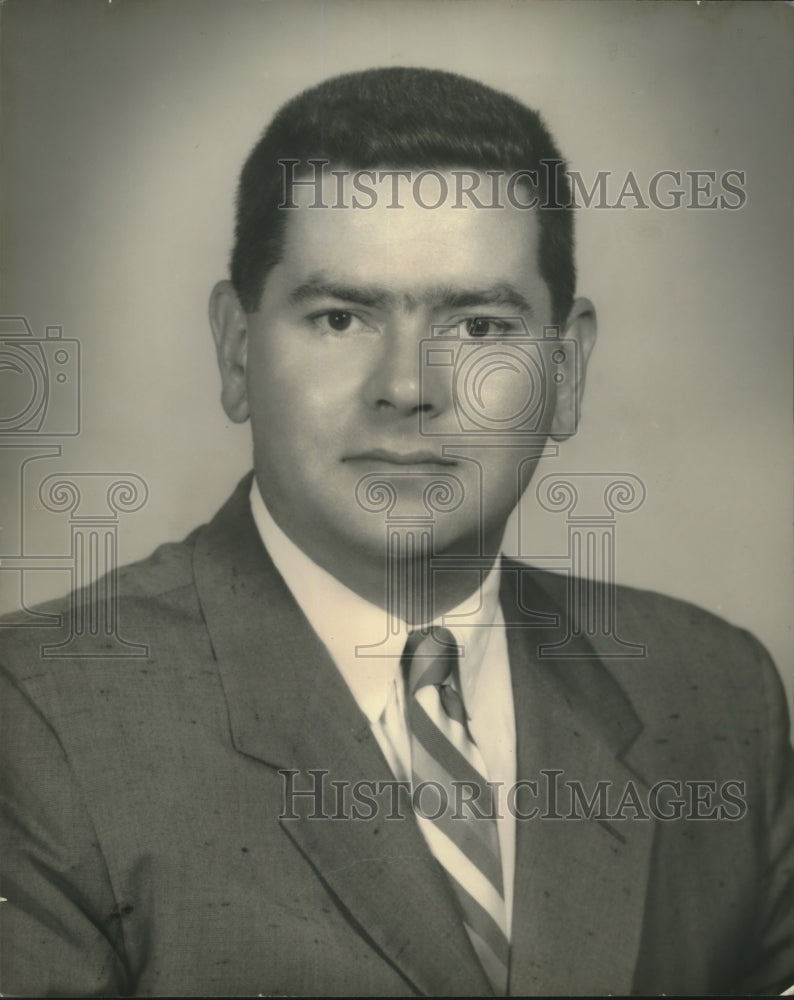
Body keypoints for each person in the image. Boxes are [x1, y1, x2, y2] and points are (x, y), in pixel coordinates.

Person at [1, 66, 792, 997]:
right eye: (341, 316)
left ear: (567, 370)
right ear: (236, 347)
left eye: (481, 325)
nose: (409, 387)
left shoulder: (715, 694)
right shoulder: (40, 715)